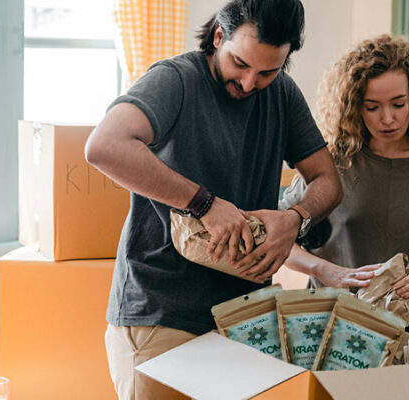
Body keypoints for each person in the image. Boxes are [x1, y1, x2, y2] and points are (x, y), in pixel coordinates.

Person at [85, 0, 342, 398]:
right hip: (160, 315)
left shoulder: (283, 95)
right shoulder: (175, 79)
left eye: (268, 71)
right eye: (239, 63)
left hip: (242, 318)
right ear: (219, 36)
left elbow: (327, 180)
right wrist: (204, 203)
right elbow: (104, 146)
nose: (248, 83)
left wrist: (295, 218)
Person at [282, 34, 409, 349]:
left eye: (399, 104)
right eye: (372, 107)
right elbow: (280, 241)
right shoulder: (332, 165)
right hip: (336, 336)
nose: (388, 118)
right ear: (355, 106)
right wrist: (326, 270)